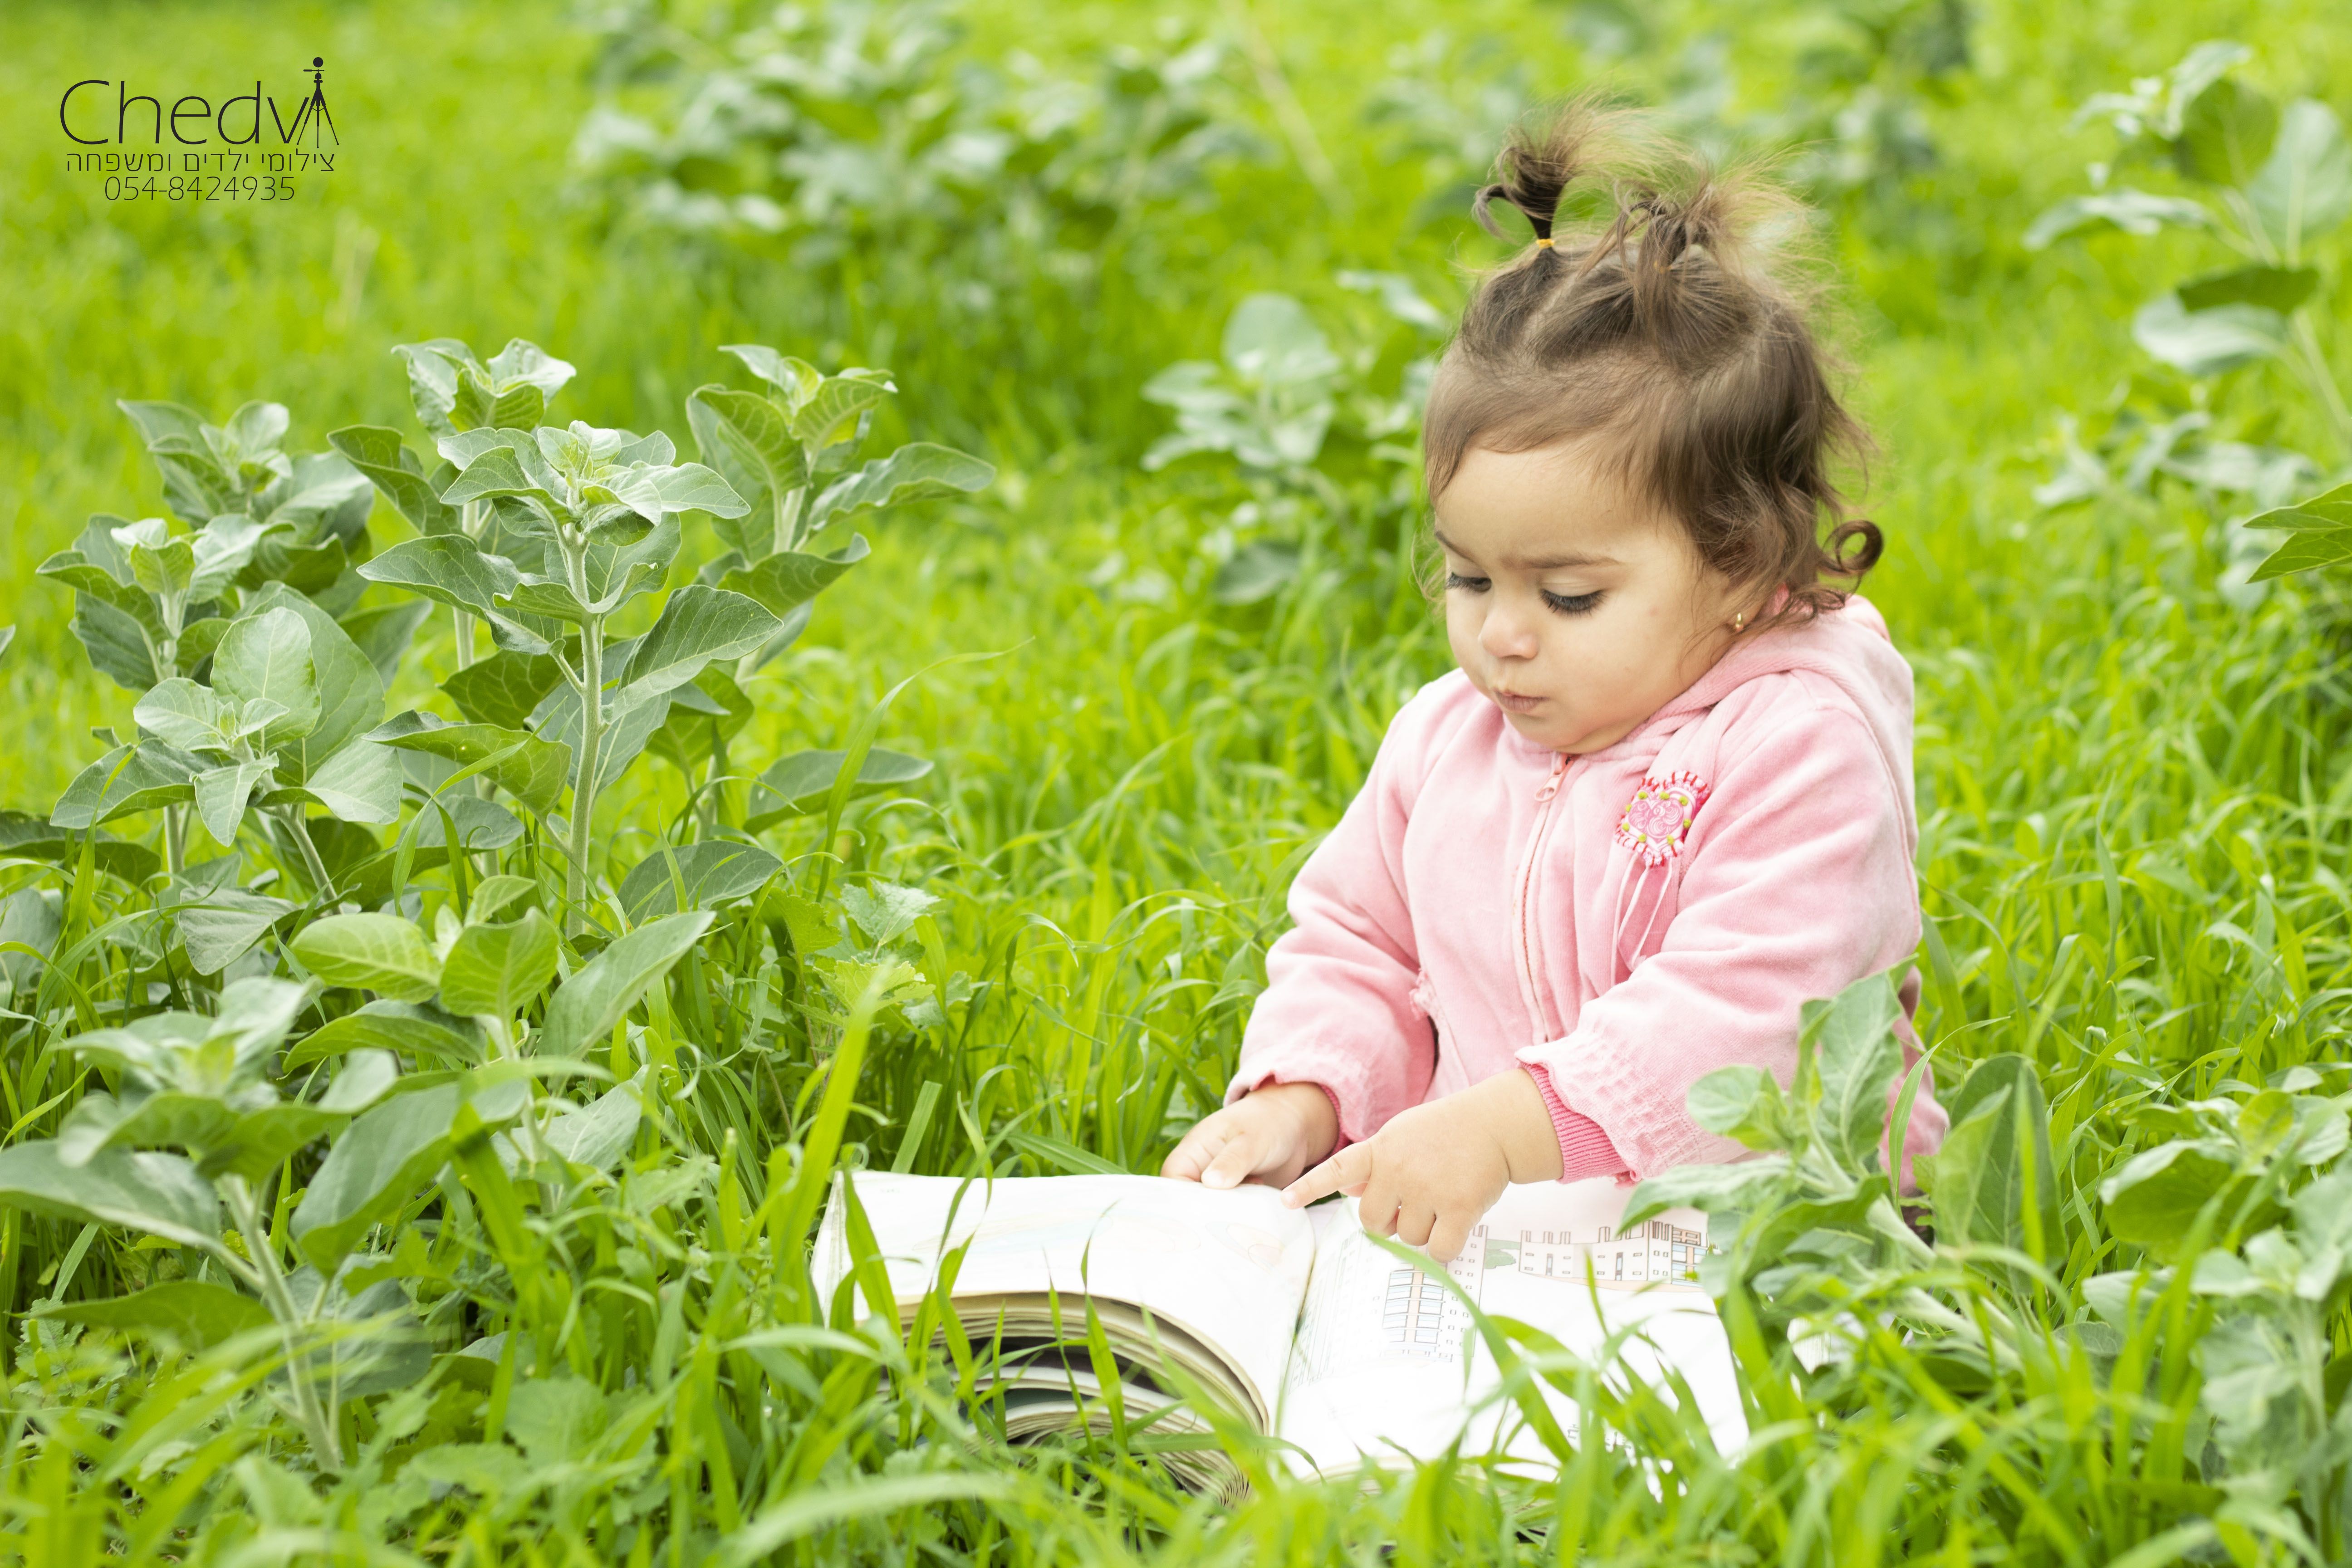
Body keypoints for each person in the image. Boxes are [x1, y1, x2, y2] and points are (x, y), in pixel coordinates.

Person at [1160, 98, 1950, 1263]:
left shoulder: (1798, 746)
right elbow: (1362, 944)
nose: (1502, 637)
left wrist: (1505, 1128)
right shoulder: (1450, 740)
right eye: (1469, 577)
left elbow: (1752, 1015)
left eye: (1568, 596)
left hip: (1781, 1231)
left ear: (1741, 566)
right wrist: (1306, 1097)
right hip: (1511, 1228)